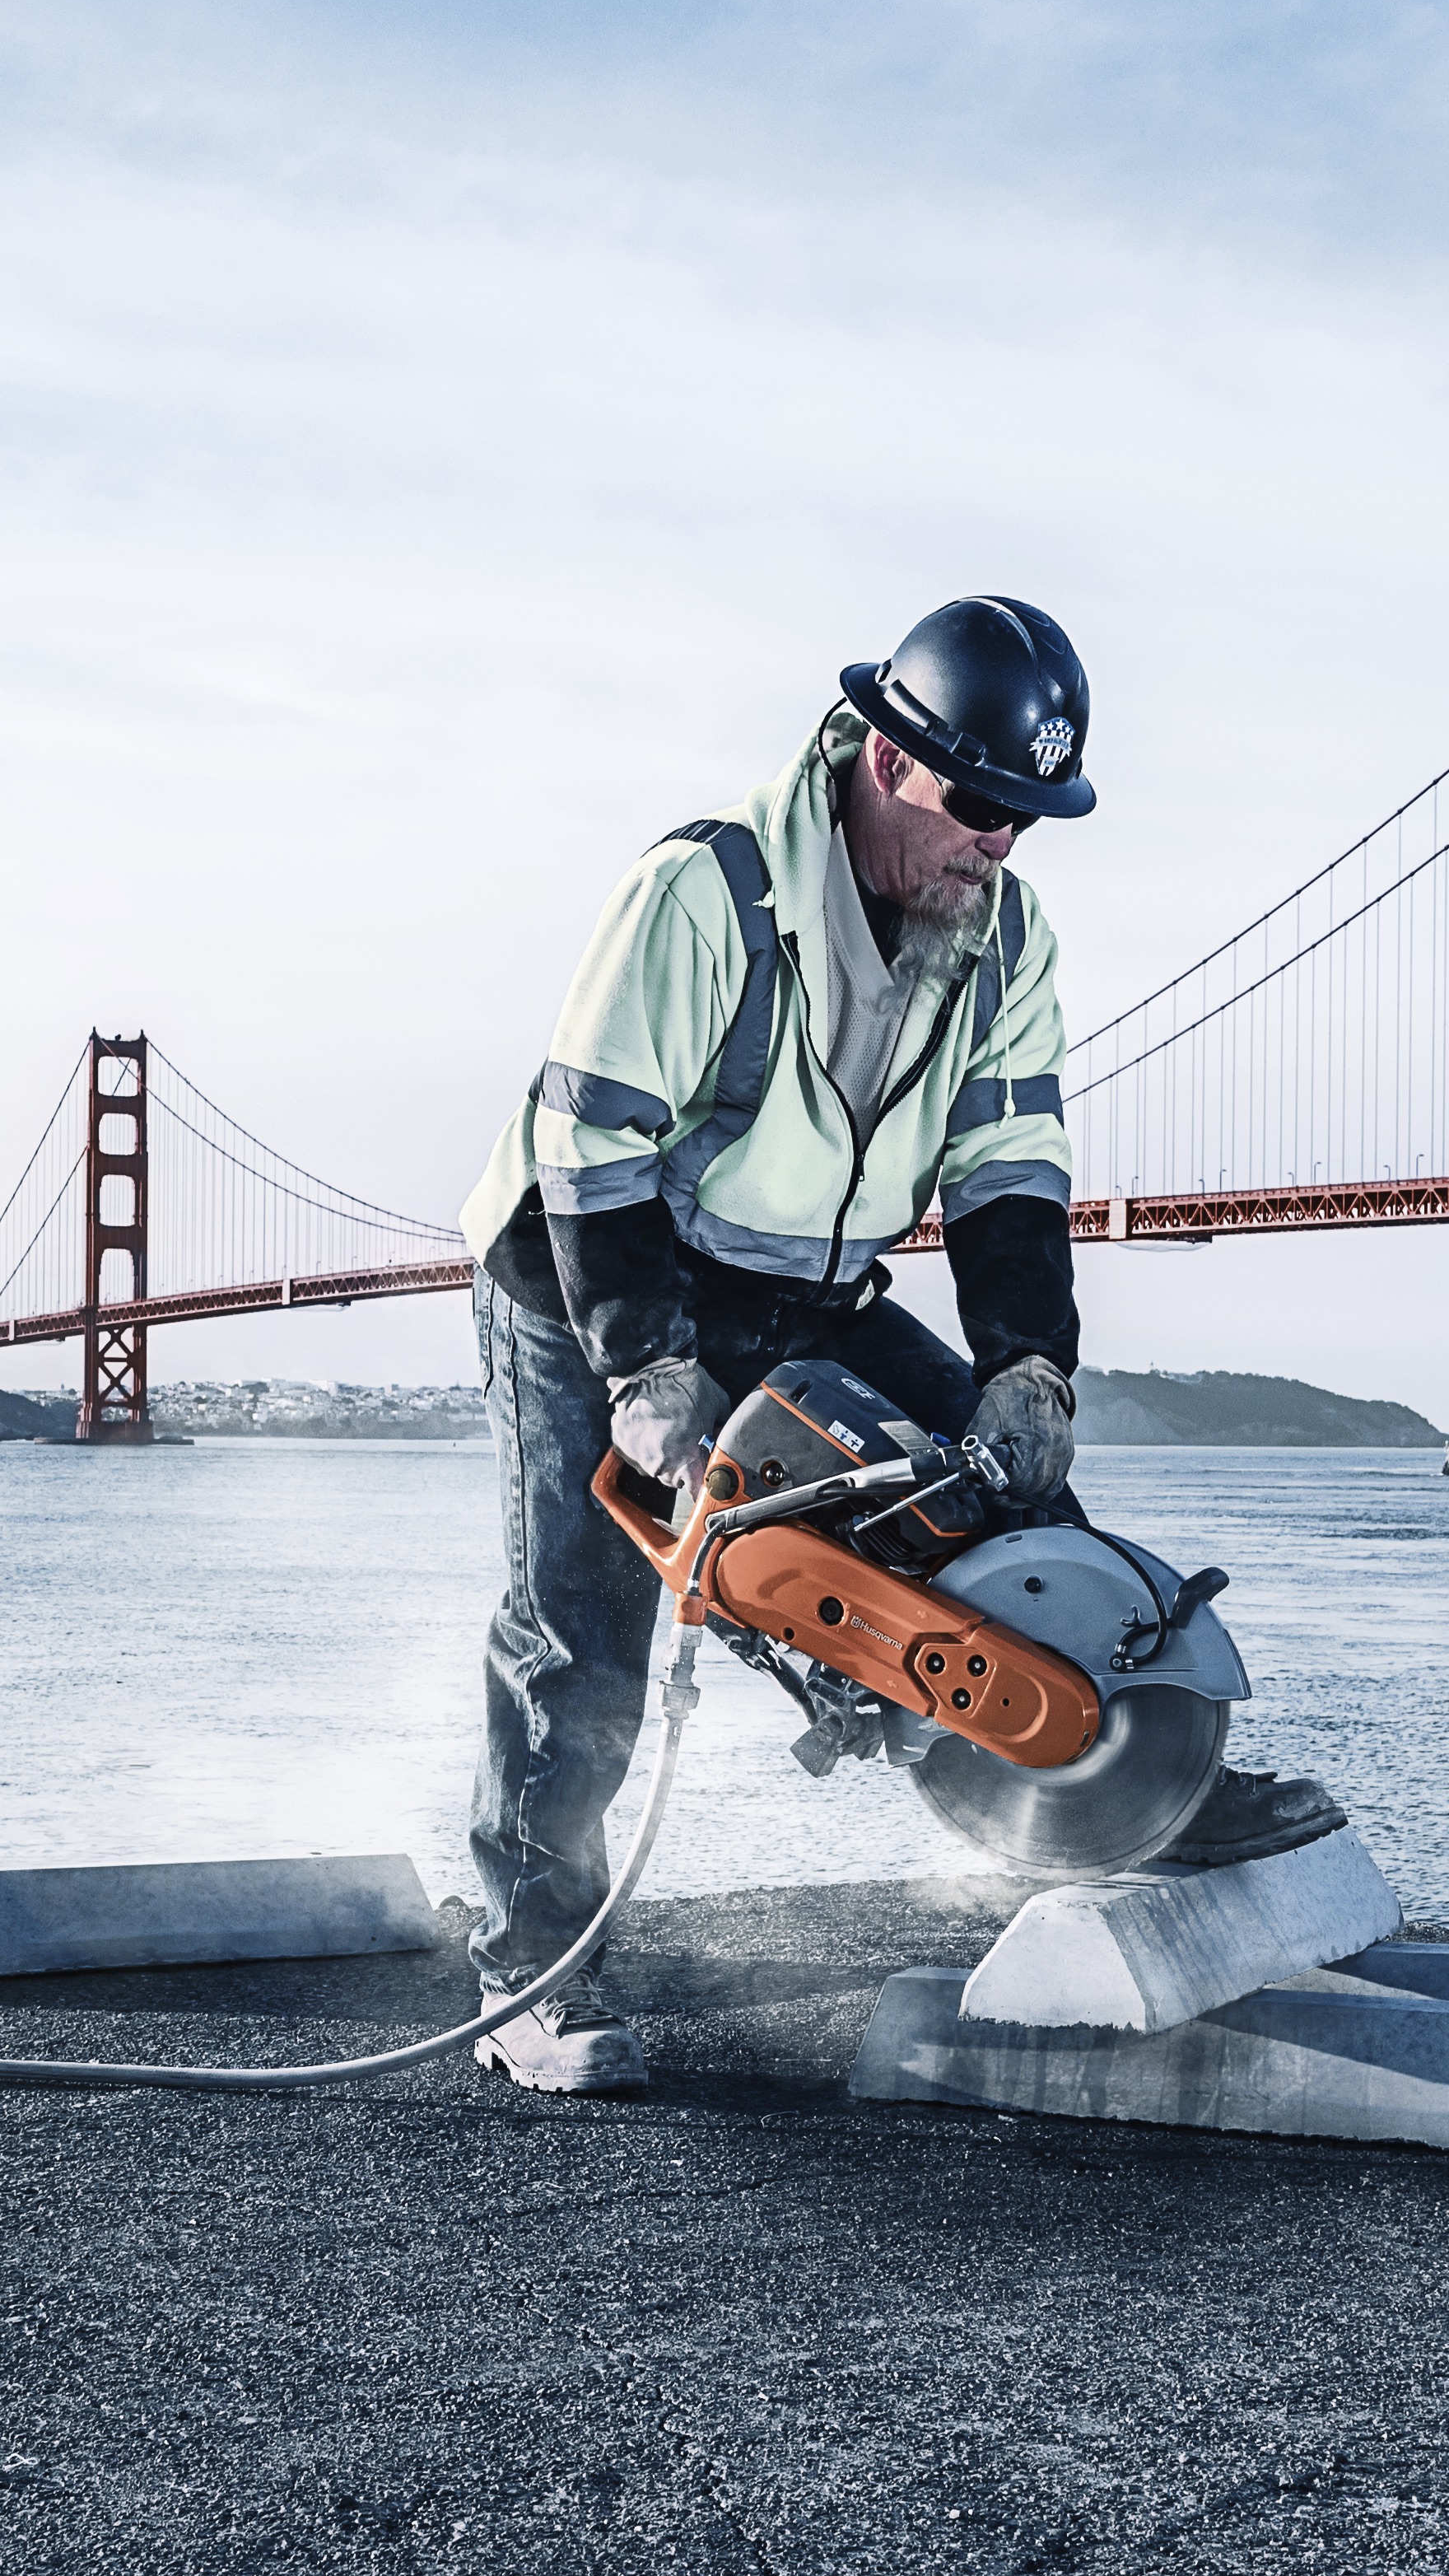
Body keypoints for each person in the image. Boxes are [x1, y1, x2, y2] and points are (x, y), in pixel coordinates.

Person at [452, 595, 1299, 2093]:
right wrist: (646, 1368)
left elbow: (1009, 1167)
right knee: (583, 1631)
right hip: (600, 1274)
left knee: (1018, 1509)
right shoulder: (705, 892)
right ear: (890, 759)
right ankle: (530, 1969)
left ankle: (1140, 1789)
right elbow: (590, 1144)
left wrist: (1029, 1366)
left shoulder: (1005, 938)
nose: (1001, 845)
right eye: (982, 807)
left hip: (806, 1282)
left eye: (1029, 820)